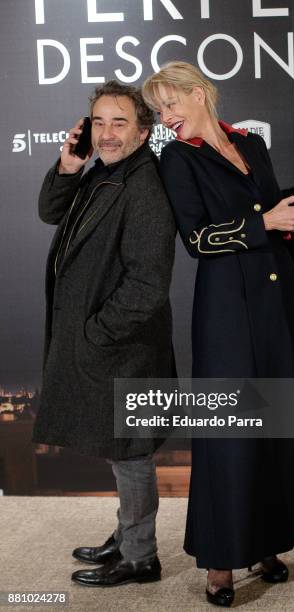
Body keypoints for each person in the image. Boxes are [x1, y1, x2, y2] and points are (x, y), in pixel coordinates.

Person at [142, 62, 294, 607]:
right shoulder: (177, 157)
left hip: (280, 300)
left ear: (198, 93)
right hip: (227, 310)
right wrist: (266, 224)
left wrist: (291, 215)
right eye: (159, 110)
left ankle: (268, 541)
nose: (165, 118)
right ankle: (219, 560)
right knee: (231, 432)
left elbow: (265, 208)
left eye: (170, 104)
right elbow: (197, 239)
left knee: (280, 422)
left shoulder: (251, 143)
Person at [32, 81, 176, 587]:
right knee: (121, 451)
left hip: (125, 349)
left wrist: (96, 334)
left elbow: (147, 286)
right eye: (98, 122)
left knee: (132, 452)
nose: (107, 133)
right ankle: (126, 536)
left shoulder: (144, 187)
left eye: (119, 122)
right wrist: (69, 165)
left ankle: (141, 557)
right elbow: (51, 212)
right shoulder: (102, 173)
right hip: (107, 348)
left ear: (143, 130)